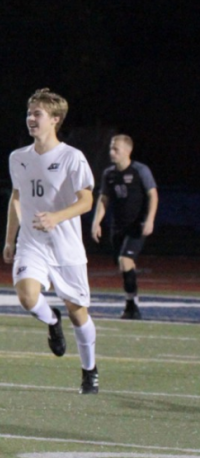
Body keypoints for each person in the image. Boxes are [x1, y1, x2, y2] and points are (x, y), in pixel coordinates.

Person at [3, 88, 99, 394]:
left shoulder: (72, 157)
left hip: (66, 247)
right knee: (27, 296)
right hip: (32, 243)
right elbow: (16, 198)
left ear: (55, 119)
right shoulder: (18, 158)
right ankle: (51, 320)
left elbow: (86, 201)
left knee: (78, 311)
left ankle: (89, 370)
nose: (31, 118)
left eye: (38, 114)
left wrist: (57, 217)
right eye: (29, 113)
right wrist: (9, 239)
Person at [90, 134, 158, 320]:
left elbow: (153, 195)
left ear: (128, 151)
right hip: (117, 227)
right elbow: (103, 199)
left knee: (125, 261)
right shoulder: (109, 174)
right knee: (124, 265)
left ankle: (131, 306)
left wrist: (150, 219)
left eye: (116, 149)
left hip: (137, 225)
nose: (112, 152)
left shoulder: (140, 170)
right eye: (111, 148)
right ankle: (132, 299)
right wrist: (96, 222)